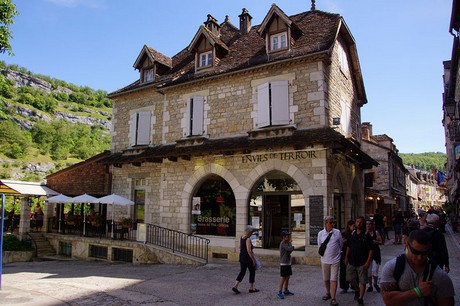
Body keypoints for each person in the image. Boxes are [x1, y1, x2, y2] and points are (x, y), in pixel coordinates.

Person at [380, 229, 455, 306]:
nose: (420, 257)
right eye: (415, 252)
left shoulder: (440, 276)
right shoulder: (393, 267)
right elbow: (388, 300)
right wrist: (418, 292)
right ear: (407, 245)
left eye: (424, 253)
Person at [344, 216, 373, 305]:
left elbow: (371, 249)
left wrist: (368, 261)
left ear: (363, 224)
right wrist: (346, 257)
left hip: (362, 262)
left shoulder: (366, 235)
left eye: (360, 222)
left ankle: (360, 298)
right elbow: (349, 246)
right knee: (349, 278)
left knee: (362, 281)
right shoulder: (352, 234)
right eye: (357, 222)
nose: (359, 223)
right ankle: (357, 289)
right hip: (352, 261)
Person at [318, 216, 343, 306]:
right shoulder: (321, 234)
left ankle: (333, 298)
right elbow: (319, 246)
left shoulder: (337, 232)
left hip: (335, 260)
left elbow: (341, 244)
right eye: (330, 222)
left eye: (333, 222)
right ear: (325, 223)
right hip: (324, 260)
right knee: (326, 279)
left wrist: (338, 254)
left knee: (334, 279)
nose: (332, 224)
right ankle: (328, 293)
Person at [232, 225, 259, 294]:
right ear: (249, 232)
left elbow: (240, 247)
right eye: (251, 232)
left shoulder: (241, 237)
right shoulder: (248, 239)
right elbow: (249, 251)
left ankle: (235, 286)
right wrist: (253, 260)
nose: (252, 233)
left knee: (242, 271)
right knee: (252, 271)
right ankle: (251, 288)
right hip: (247, 258)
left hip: (242, 256)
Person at [365, 219, 382, 293]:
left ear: (372, 225)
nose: (368, 225)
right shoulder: (365, 233)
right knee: (369, 271)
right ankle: (370, 285)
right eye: (367, 224)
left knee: (375, 270)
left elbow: (381, 241)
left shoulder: (376, 232)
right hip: (367, 253)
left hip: (375, 253)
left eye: (369, 224)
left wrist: (376, 242)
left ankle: (375, 284)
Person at [277, 230, 295, 299]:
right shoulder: (283, 243)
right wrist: (292, 246)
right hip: (283, 263)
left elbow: (290, 249)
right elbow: (289, 249)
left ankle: (286, 290)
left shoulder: (288, 242)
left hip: (288, 262)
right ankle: (279, 291)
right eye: (288, 236)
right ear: (284, 237)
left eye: (289, 236)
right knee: (283, 277)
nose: (289, 237)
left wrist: (291, 245)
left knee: (288, 277)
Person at [340, 220, 355, 293]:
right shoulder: (344, 234)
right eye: (353, 225)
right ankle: (344, 286)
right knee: (343, 270)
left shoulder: (356, 233)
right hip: (345, 253)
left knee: (353, 271)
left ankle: (354, 286)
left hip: (353, 254)